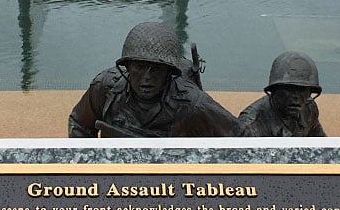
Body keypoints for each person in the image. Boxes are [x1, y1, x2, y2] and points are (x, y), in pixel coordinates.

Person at [68, 21, 240, 138]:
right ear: (127, 67)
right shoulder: (104, 89)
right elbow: (79, 123)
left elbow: (239, 137)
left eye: (156, 69)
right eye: (139, 67)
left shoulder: (193, 103)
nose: (147, 78)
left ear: (168, 72)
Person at [238, 52, 326, 137]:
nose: (295, 96)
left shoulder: (309, 109)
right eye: (289, 89)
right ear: (274, 90)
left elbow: (323, 145)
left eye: (302, 89)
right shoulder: (252, 124)